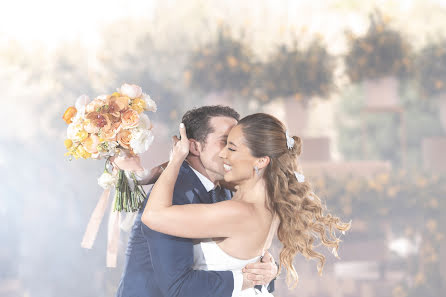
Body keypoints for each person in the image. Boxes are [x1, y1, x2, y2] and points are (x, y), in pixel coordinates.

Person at [142, 113, 351, 296]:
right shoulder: (267, 204)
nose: (223, 154)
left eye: (231, 148)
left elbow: (152, 217)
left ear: (261, 161)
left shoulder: (239, 212)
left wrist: (176, 158)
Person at [116, 106, 278, 297]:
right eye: (225, 142)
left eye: (235, 145)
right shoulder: (173, 196)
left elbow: (235, 252)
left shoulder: (226, 191)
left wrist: (268, 271)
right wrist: (247, 279)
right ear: (194, 147)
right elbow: (179, 287)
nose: (229, 152)